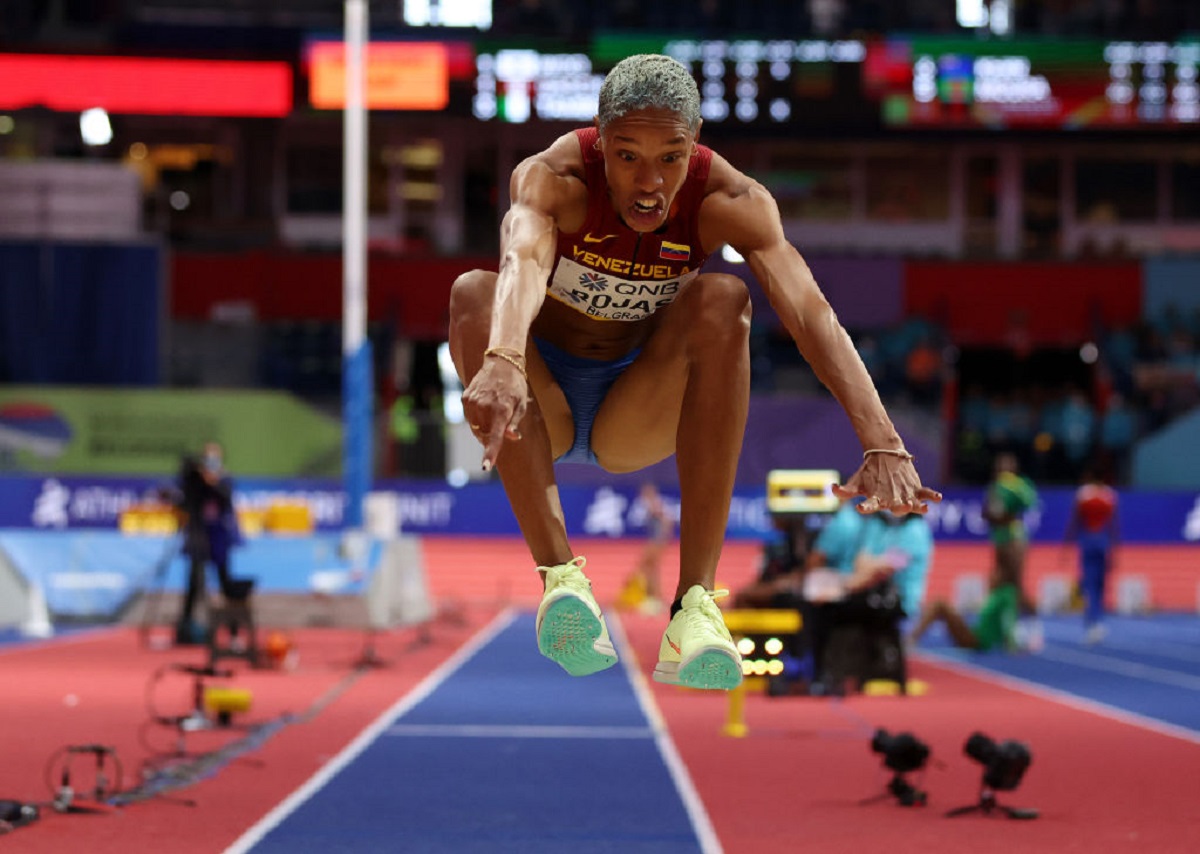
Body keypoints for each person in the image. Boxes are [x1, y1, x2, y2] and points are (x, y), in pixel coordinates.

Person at [448, 54, 941, 691]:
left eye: (670, 157)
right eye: (627, 157)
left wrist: (882, 438)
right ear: (599, 145)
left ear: (695, 147)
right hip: (541, 401)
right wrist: (505, 358)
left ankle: (695, 606)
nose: (650, 182)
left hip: (637, 405)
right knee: (472, 293)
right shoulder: (555, 179)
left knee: (723, 300)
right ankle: (562, 582)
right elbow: (519, 259)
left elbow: (812, 315)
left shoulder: (729, 201)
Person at [172, 442, 244, 645]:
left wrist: (213, 481)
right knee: (194, 584)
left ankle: (234, 634)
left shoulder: (226, 480)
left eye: (214, 459)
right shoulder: (196, 482)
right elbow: (185, 498)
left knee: (225, 584)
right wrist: (195, 477)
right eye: (207, 459)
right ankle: (185, 629)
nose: (210, 464)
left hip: (219, 539)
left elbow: (226, 498)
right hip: (198, 538)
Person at [983, 451, 1042, 650]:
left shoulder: (1019, 484)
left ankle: (1032, 628)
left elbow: (1030, 503)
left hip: (1014, 538)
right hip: (999, 539)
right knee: (998, 585)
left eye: (1007, 465)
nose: (1003, 468)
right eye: (1000, 465)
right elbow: (988, 513)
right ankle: (1003, 631)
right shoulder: (995, 487)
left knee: (1015, 585)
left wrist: (1012, 496)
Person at [1062, 468, 1119, 645]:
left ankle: (1092, 621)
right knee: (1100, 585)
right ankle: (1097, 620)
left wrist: (1067, 545)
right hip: (1102, 540)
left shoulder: (1083, 495)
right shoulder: (1109, 496)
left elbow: (1075, 521)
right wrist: (1114, 548)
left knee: (1091, 584)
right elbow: (1113, 525)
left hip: (1087, 540)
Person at [907, 566, 1021, 653]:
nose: (989, 578)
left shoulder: (1006, 594)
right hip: (974, 634)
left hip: (979, 642)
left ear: (1002, 578)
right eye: (990, 575)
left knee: (940, 604)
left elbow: (1008, 618)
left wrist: (1011, 643)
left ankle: (912, 638)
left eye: (994, 575)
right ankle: (913, 637)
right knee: (938, 605)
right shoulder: (993, 596)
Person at [617, 482, 673, 615]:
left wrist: (662, 540)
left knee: (648, 568)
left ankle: (654, 596)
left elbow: (667, 522)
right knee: (650, 569)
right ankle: (652, 596)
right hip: (655, 541)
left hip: (656, 542)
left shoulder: (655, 505)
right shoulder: (652, 506)